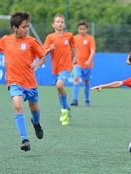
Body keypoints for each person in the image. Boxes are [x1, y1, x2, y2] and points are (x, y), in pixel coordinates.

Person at [0, 11, 46, 151]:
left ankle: (36, 124)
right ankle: (24, 140)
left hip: (30, 83)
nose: (27, 29)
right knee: (18, 106)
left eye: (28, 26)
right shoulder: (5, 41)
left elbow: (43, 57)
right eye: (24, 27)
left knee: (34, 108)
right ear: (15, 28)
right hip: (14, 82)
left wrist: (37, 64)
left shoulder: (31, 41)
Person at [43, 14, 77, 126]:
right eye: (58, 21)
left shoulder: (69, 36)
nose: (60, 23)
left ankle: (64, 110)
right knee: (59, 90)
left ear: (64, 24)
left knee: (59, 85)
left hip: (66, 67)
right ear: (53, 24)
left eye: (62, 22)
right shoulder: (50, 37)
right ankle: (66, 110)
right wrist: (49, 48)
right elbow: (43, 52)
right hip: (55, 69)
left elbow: (73, 47)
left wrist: (75, 57)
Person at [70, 19, 96, 106]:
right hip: (78, 64)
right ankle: (75, 99)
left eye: (83, 29)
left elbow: (92, 51)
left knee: (86, 82)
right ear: (78, 29)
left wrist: (89, 60)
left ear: (86, 29)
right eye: (80, 29)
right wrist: (71, 60)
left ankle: (87, 99)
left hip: (88, 65)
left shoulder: (90, 38)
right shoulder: (74, 38)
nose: (82, 30)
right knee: (76, 80)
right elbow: (72, 50)